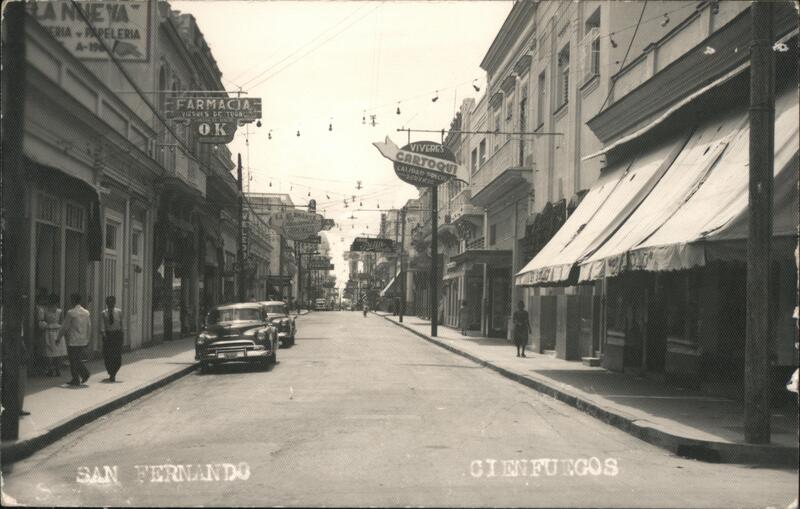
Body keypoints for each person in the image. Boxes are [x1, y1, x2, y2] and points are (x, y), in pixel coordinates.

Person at [57, 293, 91, 386]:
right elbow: (89, 326)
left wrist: (59, 337)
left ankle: (79, 377)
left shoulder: (71, 313)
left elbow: (65, 327)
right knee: (77, 358)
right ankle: (81, 375)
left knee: (73, 360)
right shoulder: (86, 312)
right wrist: (88, 338)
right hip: (83, 339)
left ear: (72, 300)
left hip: (73, 340)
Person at [39, 293, 66, 377]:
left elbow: (41, 321)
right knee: (58, 352)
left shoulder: (44, 310)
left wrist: (45, 325)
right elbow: (62, 322)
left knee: (49, 351)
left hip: (49, 331)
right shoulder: (59, 311)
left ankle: (50, 369)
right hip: (57, 331)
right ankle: (57, 370)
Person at [100, 295, 123, 382]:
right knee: (107, 356)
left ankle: (113, 373)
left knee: (117, 357)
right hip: (108, 335)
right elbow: (102, 325)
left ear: (114, 303)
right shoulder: (104, 313)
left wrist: (122, 336)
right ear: (106, 303)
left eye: (112, 303)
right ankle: (111, 373)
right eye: (109, 303)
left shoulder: (119, 312)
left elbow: (121, 324)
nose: (111, 305)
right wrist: (103, 333)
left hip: (117, 335)